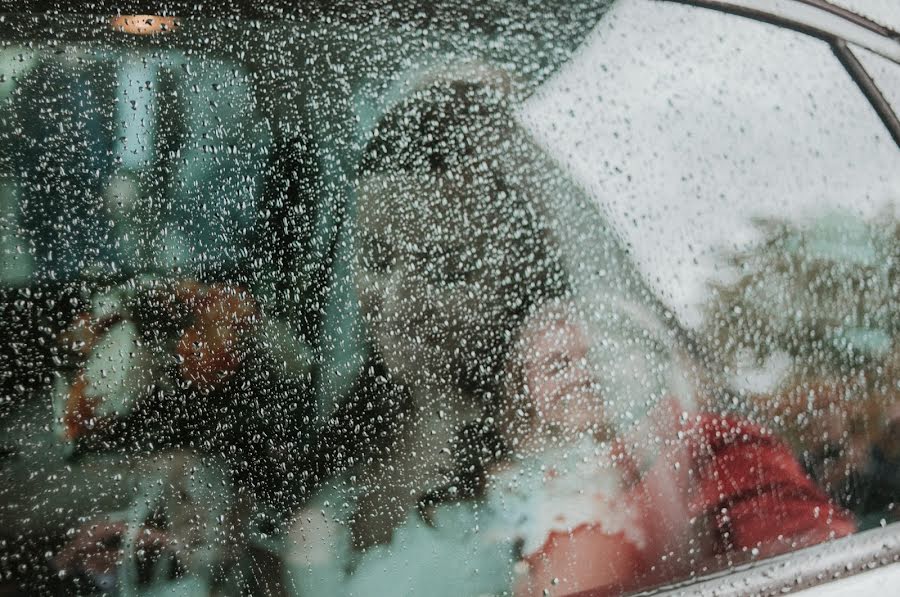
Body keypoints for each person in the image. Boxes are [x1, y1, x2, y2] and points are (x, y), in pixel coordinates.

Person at [283, 73, 855, 597]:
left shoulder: (670, 456)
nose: (400, 298)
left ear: (523, 276)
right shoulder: (317, 435)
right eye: (377, 257)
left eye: (445, 265)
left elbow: (823, 570)